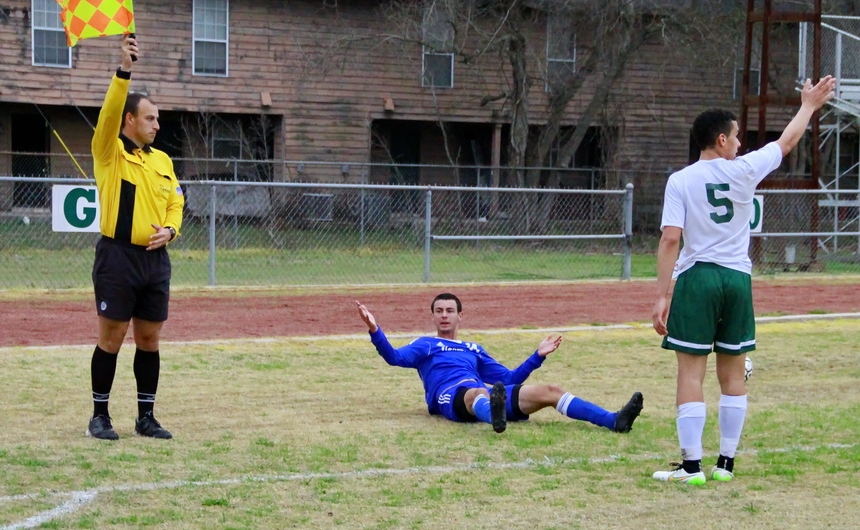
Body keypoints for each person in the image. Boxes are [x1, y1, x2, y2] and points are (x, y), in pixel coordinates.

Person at [651, 76, 837, 483]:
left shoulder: (680, 180)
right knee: (733, 374)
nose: (740, 145)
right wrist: (807, 106)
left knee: (690, 373)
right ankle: (726, 464)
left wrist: (662, 295)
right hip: (737, 280)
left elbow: (670, 239)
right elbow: (786, 143)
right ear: (720, 140)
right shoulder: (745, 170)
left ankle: (691, 467)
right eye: (736, 137)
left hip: (698, 280)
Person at [356, 293, 643, 434]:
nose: (444, 315)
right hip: (451, 397)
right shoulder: (425, 344)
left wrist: (537, 356)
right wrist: (374, 330)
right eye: (439, 311)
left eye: (450, 311)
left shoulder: (474, 348)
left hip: (484, 394)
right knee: (476, 392)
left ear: (460, 316)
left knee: (550, 390)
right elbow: (394, 357)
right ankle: (493, 415)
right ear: (433, 316)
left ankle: (614, 421)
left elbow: (509, 378)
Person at [86, 34, 184, 440]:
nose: (157, 125)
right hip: (117, 258)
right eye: (150, 118)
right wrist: (123, 71)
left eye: (158, 119)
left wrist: (171, 230)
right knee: (112, 337)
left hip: (154, 262)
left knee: (149, 337)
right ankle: (99, 416)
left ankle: (146, 417)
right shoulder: (109, 149)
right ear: (130, 120)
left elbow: (177, 201)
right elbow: (109, 112)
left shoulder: (162, 160)